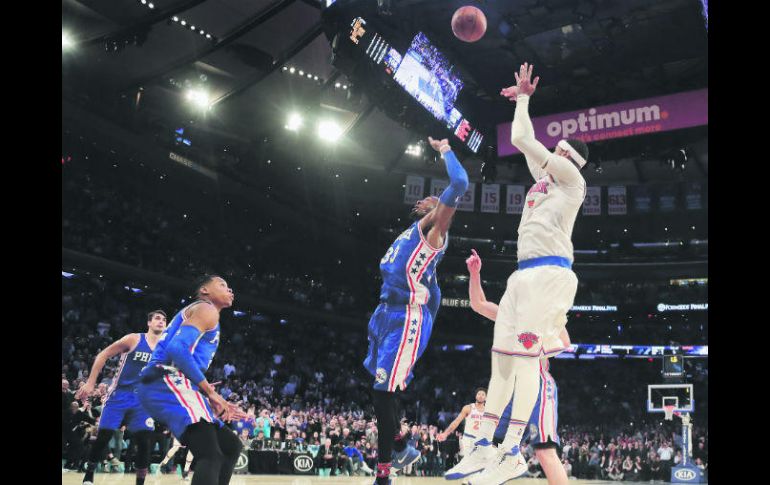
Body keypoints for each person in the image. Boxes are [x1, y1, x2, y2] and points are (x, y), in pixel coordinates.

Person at [448, 62, 588, 484]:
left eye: (560, 149)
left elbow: (522, 138)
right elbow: (523, 143)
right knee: (501, 359)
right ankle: (483, 445)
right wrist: (521, 107)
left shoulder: (571, 182)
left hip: (550, 274)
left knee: (526, 364)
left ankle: (511, 452)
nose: (554, 151)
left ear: (570, 159)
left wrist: (525, 97)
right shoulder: (543, 182)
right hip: (523, 274)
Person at [364, 136, 468, 485]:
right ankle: (400, 445)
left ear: (442, 211)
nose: (428, 198)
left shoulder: (436, 234)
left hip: (406, 316)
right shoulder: (408, 235)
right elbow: (428, 287)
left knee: (383, 392)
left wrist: (444, 150)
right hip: (384, 315)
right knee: (383, 391)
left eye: (437, 200)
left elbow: (461, 183)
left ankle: (384, 473)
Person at [446, 249, 571, 485]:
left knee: (544, 451)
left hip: (538, 385)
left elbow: (564, 342)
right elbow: (479, 304)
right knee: (489, 447)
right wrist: (474, 274)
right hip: (510, 387)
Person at [138, 275, 247, 485]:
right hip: (165, 379)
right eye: (222, 285)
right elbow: (177, 349)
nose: (230, 289)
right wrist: (210, 392)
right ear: (205, 290)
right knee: (211, 455)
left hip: (170, 382)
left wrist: (200, 389)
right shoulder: (207, 309)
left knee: (231, 446)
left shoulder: (202, 312)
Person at [76, 310, 168, 485]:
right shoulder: (133, 339)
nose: (161, 322)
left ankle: (140, 482)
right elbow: (102, 355)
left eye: (164, 320)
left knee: (144, 441)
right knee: (104, 436)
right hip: (119, 395)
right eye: (157, 318)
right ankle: (88, 475)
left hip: (142, 400)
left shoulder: (165, 349)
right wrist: (90, 383)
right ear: (149, 323)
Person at [436, 388, 486, 457]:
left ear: (486, 398)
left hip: (482, 441)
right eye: (479, 394)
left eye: (483, 394)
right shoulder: (468, 408)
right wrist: (445, 433)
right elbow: (456, 422)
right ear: (476, 396)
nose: (480, 396)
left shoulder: (488, 411)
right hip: (469, 439)